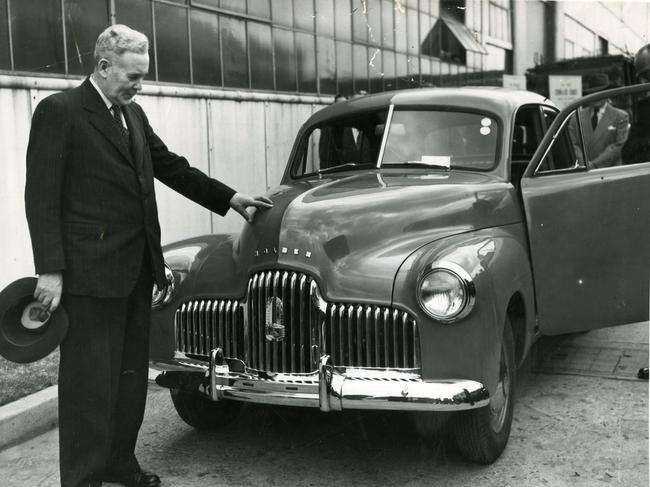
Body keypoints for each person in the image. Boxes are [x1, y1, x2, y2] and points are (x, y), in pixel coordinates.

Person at [24, 24, 272, 487]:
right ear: (103, 66)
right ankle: (82, 479)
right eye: (133, 76)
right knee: (89, 386)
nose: (140, 86)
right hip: (87, 276)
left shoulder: (131, 114)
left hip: (137, 270)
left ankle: (119, 462)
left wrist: (230, 197)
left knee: (129, 378)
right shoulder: (60, 112)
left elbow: (170, 165)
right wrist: (51, 270)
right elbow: (40, 197)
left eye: (143, 76)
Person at [622, 43, 650, 164]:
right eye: (644, 77)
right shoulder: (645, 108)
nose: (644, 81)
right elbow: (628, 153)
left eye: (647, 75)